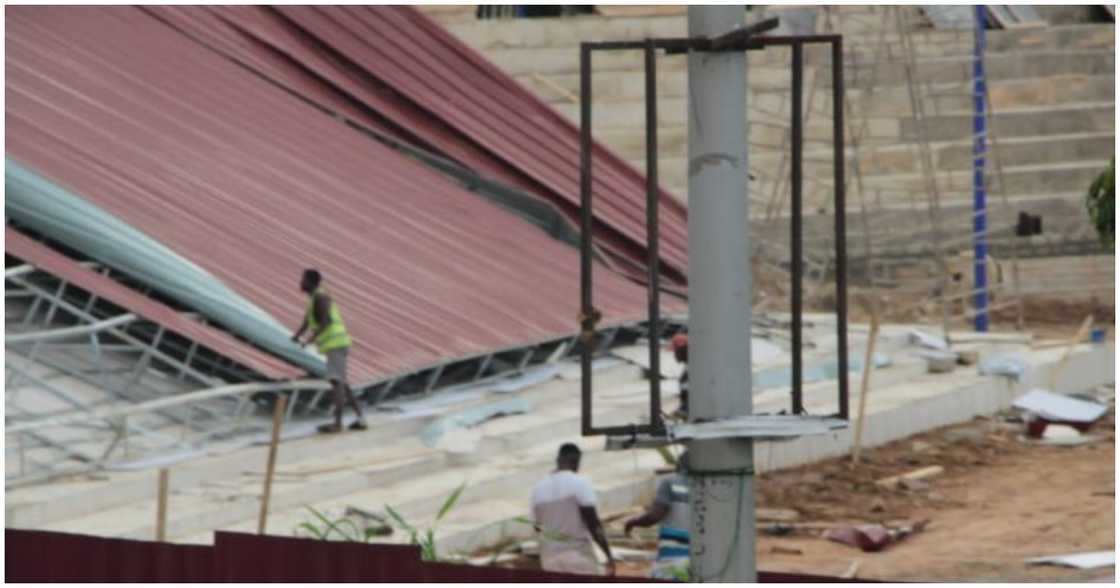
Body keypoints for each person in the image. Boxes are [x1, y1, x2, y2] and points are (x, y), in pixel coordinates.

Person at [291, 269, 366, 433]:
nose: (300, 283)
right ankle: (361, 419)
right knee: (342, 383)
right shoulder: (314, 298)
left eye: (303, 279)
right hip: (335, 344)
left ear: (310, 282)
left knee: (336, 382)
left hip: (336, 342)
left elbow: (327, 320)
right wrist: (296, 337)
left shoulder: (321, 296)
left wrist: (308, 340)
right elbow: (307, 321)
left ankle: (337, 424)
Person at [530, 443, 615, 576]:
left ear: (557, 460)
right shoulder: (580, 483)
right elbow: (594, 524)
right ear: (576, 461)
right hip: (578, 557)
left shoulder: (537, 490)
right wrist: (608, 555)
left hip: (549, 559)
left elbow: (537, 527)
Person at [624, 451, 692, 580]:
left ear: (678, 465)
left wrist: (632, 522)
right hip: (700, 556)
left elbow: (654, 516)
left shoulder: (670, 482)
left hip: (673, 556)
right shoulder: (708, 485)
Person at [670, 333, 689, 419]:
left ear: (683, 349)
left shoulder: (688, 375)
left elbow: (688, 399)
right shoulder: (689, 370)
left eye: (675, 351)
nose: (674, 355)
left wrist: (682, 411)